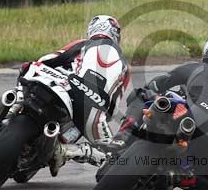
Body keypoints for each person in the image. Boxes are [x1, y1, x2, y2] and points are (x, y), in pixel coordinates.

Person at [117, 34, 208, 190]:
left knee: (139, 94)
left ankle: (123, 135)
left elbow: (158, 83)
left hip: (180, 115)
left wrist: (149, 93)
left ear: (207, 51)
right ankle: (176, 176)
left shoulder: (195, 68)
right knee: (207, 188)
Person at [22, 15, 131, 176]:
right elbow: (112, 104)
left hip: (65, 89)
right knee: (115, 159)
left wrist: (35, 66)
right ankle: (69, 151)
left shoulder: (83, 44)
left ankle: (14, 106)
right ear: (116, 34)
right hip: (91, 111)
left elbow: (52, 58)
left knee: (26, 75)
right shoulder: (125, 67)